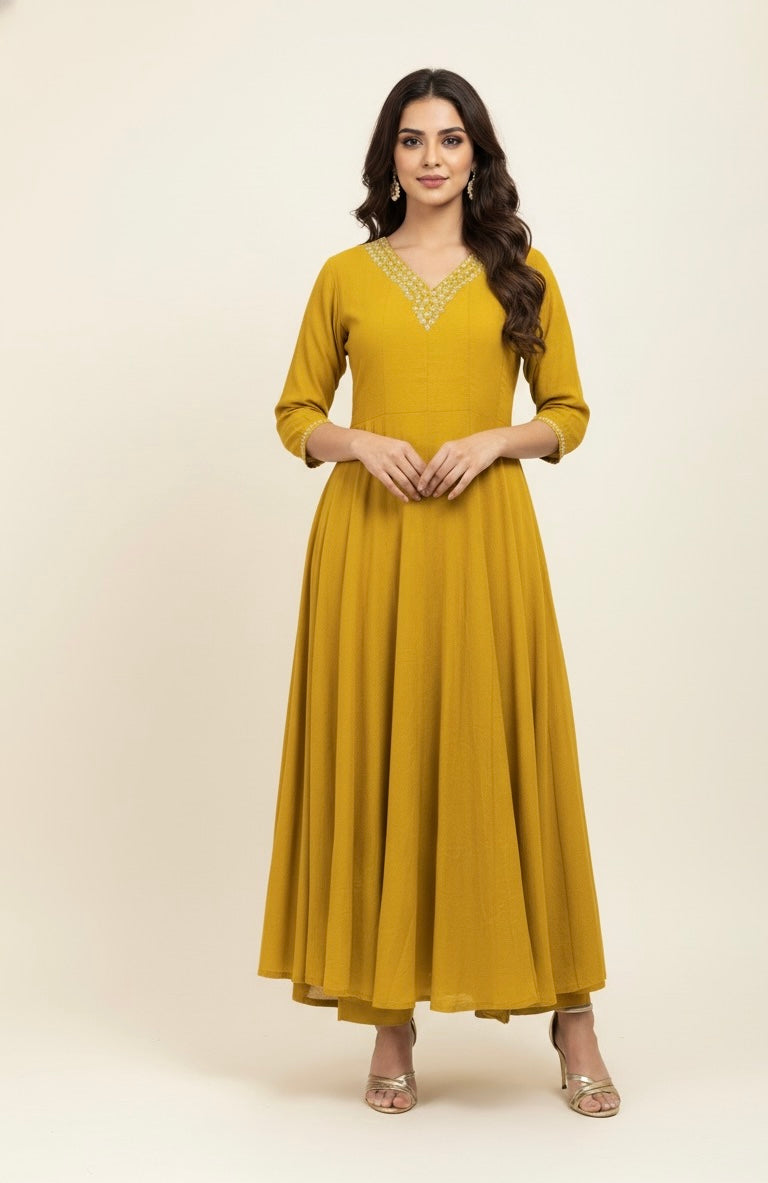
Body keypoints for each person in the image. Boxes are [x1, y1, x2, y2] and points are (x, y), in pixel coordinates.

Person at [257, 67, 621, 1119]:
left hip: (484, 543)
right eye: (412, 139)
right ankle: (389, 1017)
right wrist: (358, 441)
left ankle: (574, 1014)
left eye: (450, 139)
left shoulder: (522, 272)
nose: (430, 157)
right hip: (370, 546)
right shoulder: (345, 275)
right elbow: (294, 412)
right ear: (390, 157)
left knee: (511, 758)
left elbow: (568, 411)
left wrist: (495, 439)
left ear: (476, 156)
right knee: (385, 754)